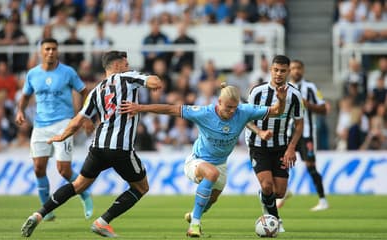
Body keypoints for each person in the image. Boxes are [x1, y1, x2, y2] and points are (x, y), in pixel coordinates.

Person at [20, 50, 162, 238]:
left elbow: (78, 120)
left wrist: (62, 136)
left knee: (78, 185)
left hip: (97, 147)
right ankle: (102, 222)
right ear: (117, 66)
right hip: (120, 148)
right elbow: (156, 83)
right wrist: (149, 80)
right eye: (125, 63)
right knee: (141, 187)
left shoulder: (96, 90)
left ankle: (38, 214)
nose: (128, 66)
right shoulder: (127, 77)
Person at [118, 82, 288, 237]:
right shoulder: (203, 113)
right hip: (196, 161)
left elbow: (276, 111)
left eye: (234, 108)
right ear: (219, 102)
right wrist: (140, 107)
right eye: (228, 107)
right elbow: (170, 109)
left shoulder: (243, 111)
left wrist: (281, 99)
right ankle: (195, 225)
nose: (231, 111)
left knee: (212, 199)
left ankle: (193, 214)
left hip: (220, 164)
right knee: (211, 174)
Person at [15, 38, 93, 222]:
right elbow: (25, 96)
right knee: (38, 168)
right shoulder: (32, 74)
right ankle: (46, 210)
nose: (51, 52)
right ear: (41, 51)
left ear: (57, 51)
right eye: (47, 49)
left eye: (54, 49)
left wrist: (86, 116)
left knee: (64, 170)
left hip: (63, 124)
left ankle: (85, 194)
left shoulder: (68, 72)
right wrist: (20, 111)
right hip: (40, 126)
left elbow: (85, 93)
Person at [245, 55, 304, 233]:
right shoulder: (257, 91)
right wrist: (260, 132)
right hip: (258, 146)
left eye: (283, 71)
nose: (279, 74)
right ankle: (275, 220)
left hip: (281, 147)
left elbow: (299, 123)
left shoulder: (294, 95)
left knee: (279, 192)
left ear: (288, 72)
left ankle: (265, 199)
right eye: (276, 70)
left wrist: (292, 148)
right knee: (267, 186)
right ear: (271, 70)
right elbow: (246, 118)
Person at [276, 59, 329, 211]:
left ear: (303, 70)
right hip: (287, 133)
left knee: (310, 166)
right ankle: (283, 192)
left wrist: (308, 104)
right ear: (288, 71)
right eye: (292, 68)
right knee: (282, 163)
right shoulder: (283, 88)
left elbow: (324, 109)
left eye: (298, 68)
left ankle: (323, 200)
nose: (296, 71)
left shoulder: (310, 87)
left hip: (306, 134)